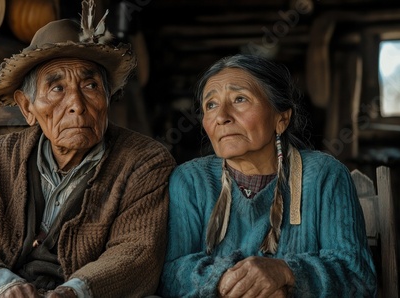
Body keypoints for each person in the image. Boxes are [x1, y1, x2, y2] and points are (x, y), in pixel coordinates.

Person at [0, 1, 175, 297]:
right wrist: (2, 285)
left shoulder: (145, 161)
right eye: (57, 89)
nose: (76, 104)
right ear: (27, 107)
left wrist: (74, 290)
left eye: (91, 86)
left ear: (108, 97)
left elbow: (137, 251)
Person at [158, 54, 377, 297]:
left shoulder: (325, 176)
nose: (222, 117)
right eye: (211, 105)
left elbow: (357, 276)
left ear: (281, 119)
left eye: (240, 99)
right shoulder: (190, 180)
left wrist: (286, 273)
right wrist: (226, 280)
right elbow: (171, 273)